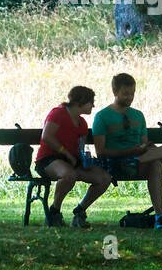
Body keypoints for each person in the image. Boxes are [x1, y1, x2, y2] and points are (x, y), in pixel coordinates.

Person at [90, 73, 162, 229]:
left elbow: (143, 144)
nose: (130, 97)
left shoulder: (138, 115)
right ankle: (160, 215)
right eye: (125, 94)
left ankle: (159, 217)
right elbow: (101, 152)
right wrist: (128, 152)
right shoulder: (102, 116)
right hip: (117, 164)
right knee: (156, 164)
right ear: (115, 92)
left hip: (139, 161)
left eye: (132, 93)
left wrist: (146, 148)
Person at [35, 85, 112, 228]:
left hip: (71, 161)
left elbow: (80, 146)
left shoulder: (82, 122)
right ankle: (54, 212)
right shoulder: (58, 113)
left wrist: (85, 159)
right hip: (48, 160)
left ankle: (80, 212)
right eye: (91, 102)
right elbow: (47, 137)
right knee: (68, 175)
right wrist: (66, 153)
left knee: (104, 178)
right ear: (80, 101)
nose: (93, 105)